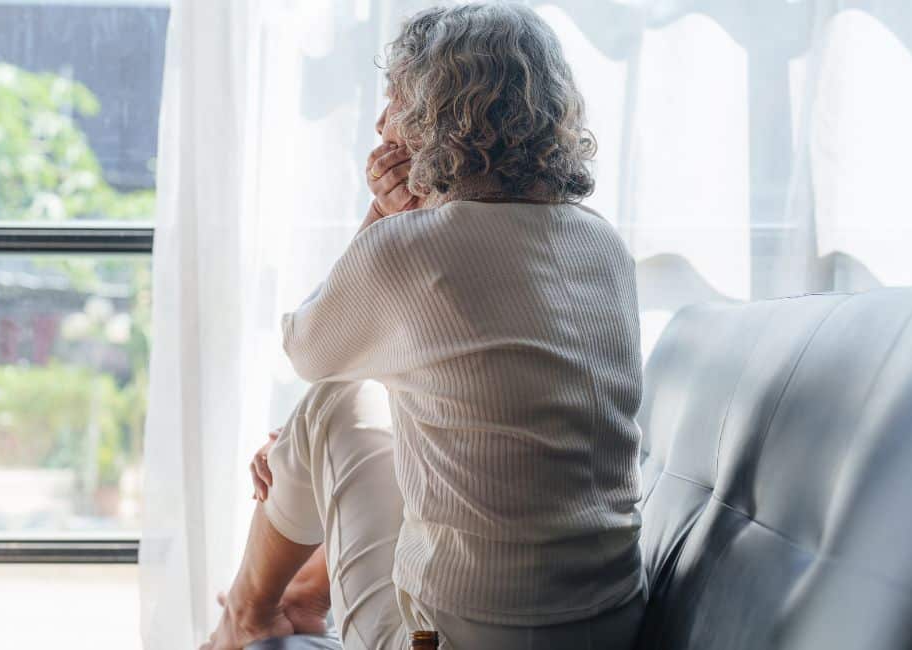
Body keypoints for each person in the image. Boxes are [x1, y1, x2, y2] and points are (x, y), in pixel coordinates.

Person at [203, 4, 645, 648]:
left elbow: (306, 348)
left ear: (438, 118)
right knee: (356, 399)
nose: (381, 123)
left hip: (456, 637)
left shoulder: (413, 248)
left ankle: (245, 615)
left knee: (328, 399)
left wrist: (380, 217)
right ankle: (298, 596)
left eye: (396, 100)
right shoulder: (604, 246)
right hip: (607, 623)